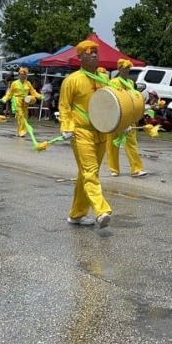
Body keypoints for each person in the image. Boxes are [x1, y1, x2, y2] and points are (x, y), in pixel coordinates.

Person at [59, 40, 113, 228]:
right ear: (80, 56)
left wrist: (123, 123)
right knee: (90, 172)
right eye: (90, 52)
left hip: (102, 132)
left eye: (96, 52)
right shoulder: (72, 80)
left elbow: (114, 104)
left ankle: (76, 214)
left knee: (87, 174)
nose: (94, 55)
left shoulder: (104, 79)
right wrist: (67, 126)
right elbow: (64, 106)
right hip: (81, 133)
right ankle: (101, 210)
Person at [107, 59, 148, 178]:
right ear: (119, 69)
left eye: (128, 68)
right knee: (112, 144)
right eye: (124, 68)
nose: (126, 70)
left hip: (129, 117)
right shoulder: (113, 82)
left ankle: (136, 169)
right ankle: (114, 169)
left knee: (131, 143)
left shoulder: (130, 82)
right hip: (115, 117)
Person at [1, 67, 42, 137]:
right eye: (21, 74)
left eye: (24, 74)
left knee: (25, 116)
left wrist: (40, 96)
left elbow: (33, 92)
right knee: (20, 116)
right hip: (17, 101)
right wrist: (5, 98)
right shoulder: (14, 83)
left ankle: (19, 130)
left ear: (26, 75)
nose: (23, 75)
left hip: (26, 101)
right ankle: (21, 131)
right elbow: (10, 92)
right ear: (19, 75)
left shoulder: (28, 83)